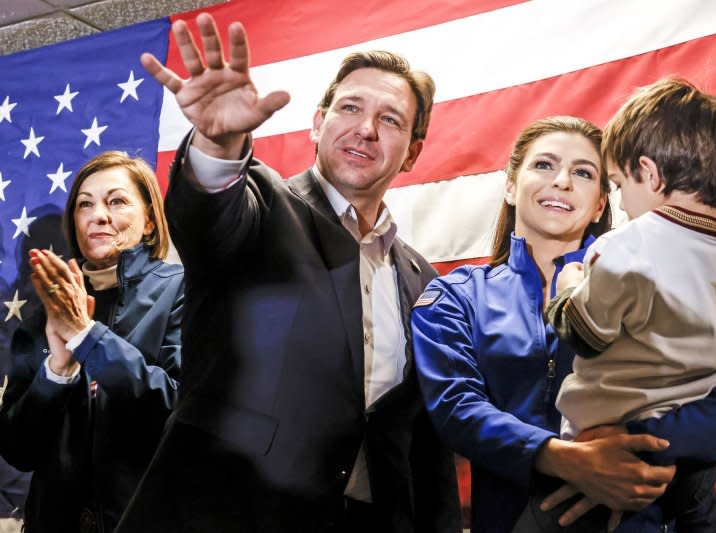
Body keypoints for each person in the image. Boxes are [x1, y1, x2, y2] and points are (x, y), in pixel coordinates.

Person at [117, 12, 460, 533]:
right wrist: (217, 146)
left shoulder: (421, 279)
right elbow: (209, 216)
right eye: (350, 107)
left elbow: (417, 439)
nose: (366, 129)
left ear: (412, 152)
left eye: (390, 119)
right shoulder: (261, 207)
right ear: (318, 123)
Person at [410, 116, 716, 533]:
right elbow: (458, 409)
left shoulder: (651, 275)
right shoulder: (456, 296)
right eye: (544, 165)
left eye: (583, 172)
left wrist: (631, 447)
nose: (563, 181)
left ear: (602, 202)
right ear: (511, 186)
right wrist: (566, 459)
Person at [545, 79, 716, 531]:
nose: (620, 202)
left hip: (616, 449)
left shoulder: (628, 244)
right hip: (695, 453)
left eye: (617, 184)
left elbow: (586, 336)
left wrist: (567, 286)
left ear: (650, 175)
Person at [0, 151, 183, 532]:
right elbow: (18, 448)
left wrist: (88, 337)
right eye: (86, 204)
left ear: (149, 221)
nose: (98, 214)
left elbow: (180, 413)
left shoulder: (184, 291)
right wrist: (57, 371)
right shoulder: (42, 317)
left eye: (116, 201)